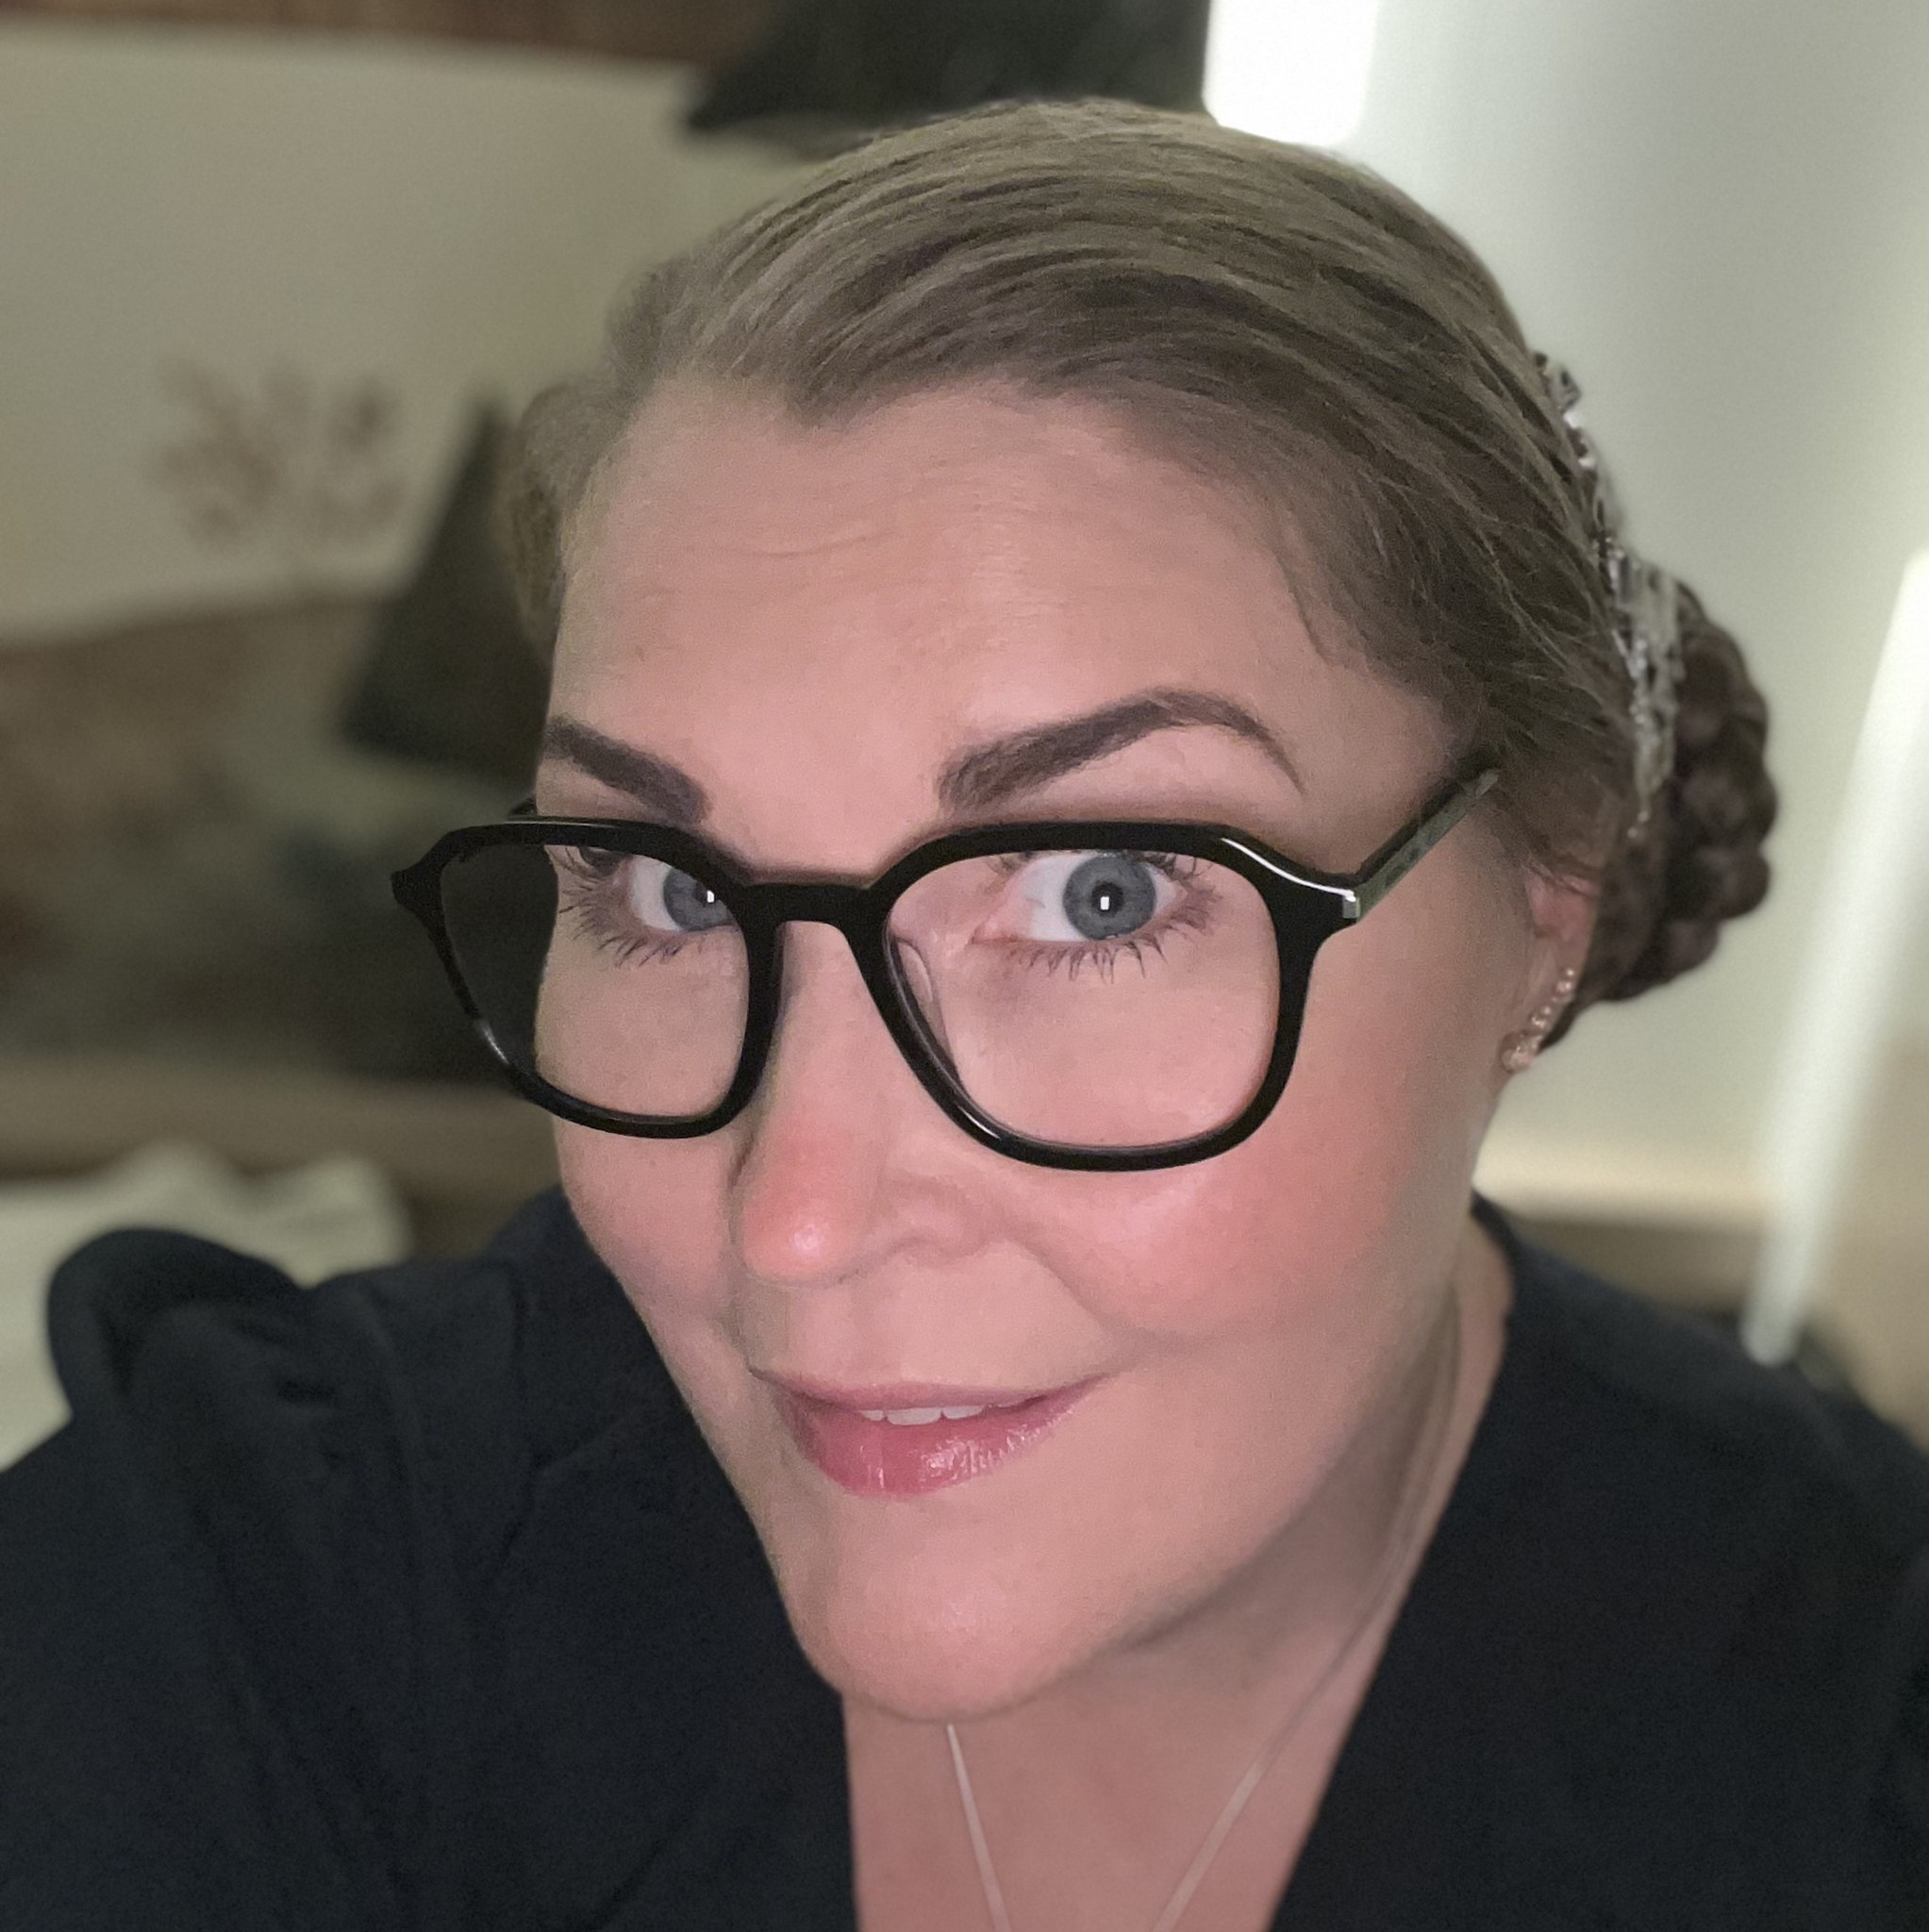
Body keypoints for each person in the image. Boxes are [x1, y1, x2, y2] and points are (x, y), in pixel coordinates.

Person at [3, 99, 1924, 1932]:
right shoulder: (265, 1586)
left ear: (1545, 899)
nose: (794, 1222)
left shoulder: (1852, 1741)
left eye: (1102, 894)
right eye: (672, 893)